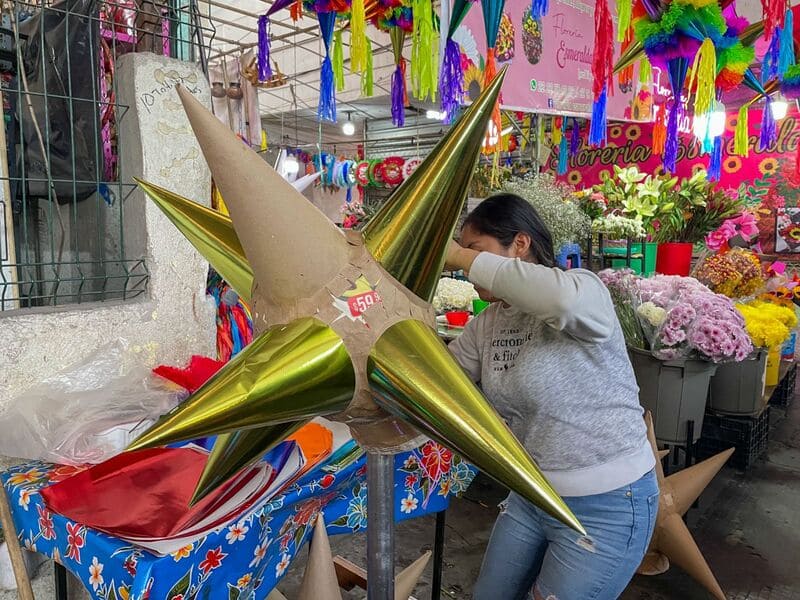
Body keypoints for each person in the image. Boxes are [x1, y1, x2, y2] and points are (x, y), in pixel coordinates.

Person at [445, 193, 658, 600]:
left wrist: (455, 255)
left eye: (475, 251)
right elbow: (444, 377)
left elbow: (560, 300)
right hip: (531, 494)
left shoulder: (583, 290)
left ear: (520, 244)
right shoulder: (487, 323)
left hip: (607, 504)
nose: (467, 267)